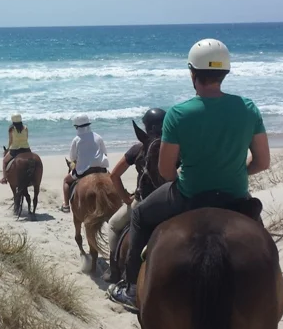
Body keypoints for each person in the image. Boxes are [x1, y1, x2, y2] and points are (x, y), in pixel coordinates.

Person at [108, 39, 271, 307]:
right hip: (236, 197)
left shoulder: (178, 114)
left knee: (138, 215)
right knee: (262, 245)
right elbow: (263, 162)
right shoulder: (248, 108)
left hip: (189, 195)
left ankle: (131, 287)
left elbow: (166, 171)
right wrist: (234, 173)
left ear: (192, 74)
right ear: (225, 73)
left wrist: (188, 175)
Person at [103, 108, 167, 283]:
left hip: (142, 201)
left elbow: (114, 175)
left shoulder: (137, 149)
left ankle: (114, 269)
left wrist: (125, 198)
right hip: (171, 200)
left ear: (146, 128)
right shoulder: (175, 147)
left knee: (114, 225)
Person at [62, 114, 109, 213]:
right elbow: (105, 153)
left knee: (66, 180)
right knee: (114, 178)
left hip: (84, 171)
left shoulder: (76, 140)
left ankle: (66, 205)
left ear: (77, 127)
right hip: (102, 169)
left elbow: (72, 158)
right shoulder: (98, 137)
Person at [0, 113, 31, 184]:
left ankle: (4, 178)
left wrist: (7, 149)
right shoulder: (26, 128)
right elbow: (26, 139)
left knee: (4, 161)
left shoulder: (11, 129)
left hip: (15, 150)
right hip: (26, 149)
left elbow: (10, 141)